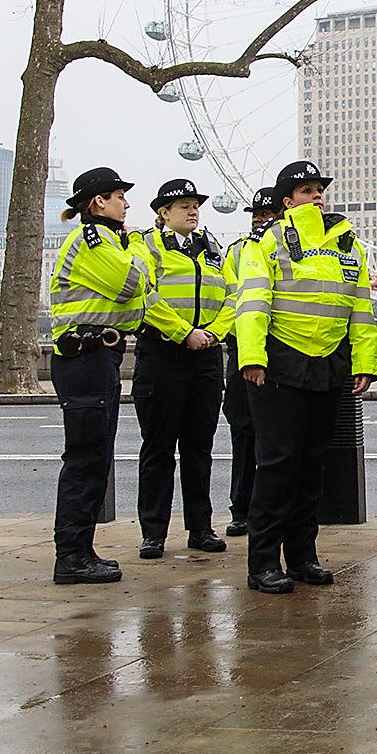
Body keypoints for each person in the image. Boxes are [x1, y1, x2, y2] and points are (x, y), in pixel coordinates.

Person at [235, 160, 377, 593]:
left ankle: (302, 556)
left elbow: (360, 308)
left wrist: (364, 363)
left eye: (319, 188)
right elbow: (254, 302)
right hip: (279, 365)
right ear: (286, 201)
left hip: (328, 366)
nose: (316, 195)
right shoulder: (269, 242)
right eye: (305, 190)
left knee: (312, 465)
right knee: (277, 466)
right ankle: (262, 562)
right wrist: (252, 357)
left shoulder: (346, 243)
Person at [49, 167, 147, 586]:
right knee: (86, 458)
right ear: (97, 203)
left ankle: (80, 549)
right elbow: (132, 283)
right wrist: (140, 245)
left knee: (95, 456)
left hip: (97, 356)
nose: (126, 203)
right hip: (85, 357)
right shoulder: (94, 241)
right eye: (119, 195)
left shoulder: (108, 241)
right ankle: (71, 555)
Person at [131, 178, 230, 559]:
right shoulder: (147, 245)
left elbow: (232, 295)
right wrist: (183, 332)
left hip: (205, 356)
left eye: (195, 204)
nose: (193, 211)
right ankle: (153, 532)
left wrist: (212, 334)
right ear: (163, 213)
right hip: (162, 354)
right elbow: (145, 293)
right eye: (183, 205)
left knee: (199, 446)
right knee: (158, 447)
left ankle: (200, 528)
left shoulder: (212, 248)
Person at [220, 186, 281, 537]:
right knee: (243, 433)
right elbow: (231, 298)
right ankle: (241, 509)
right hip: (243, 351)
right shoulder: (237, 252)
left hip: (281, 352)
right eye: (256, 214)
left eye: (267, 213)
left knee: (279, 439)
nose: (260, 219)